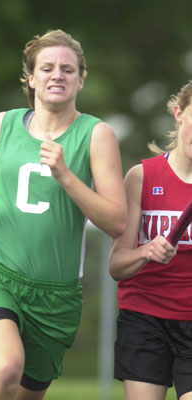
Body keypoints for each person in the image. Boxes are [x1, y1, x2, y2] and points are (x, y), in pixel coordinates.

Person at [0, 29, 127, 400]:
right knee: (7, 367)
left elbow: (117, 222)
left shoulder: (97, 135)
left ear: (81, 79)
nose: (58, 75)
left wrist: (66, 177)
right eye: (48, 67)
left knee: (24, 393)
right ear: (31, 77)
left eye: (68, 69)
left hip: (55, 296)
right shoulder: (2, 125)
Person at [109, 81, 192, 400]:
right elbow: (116, 266)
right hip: (145, 318)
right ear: (179, 113)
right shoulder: (142, 177)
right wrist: (146, 251)